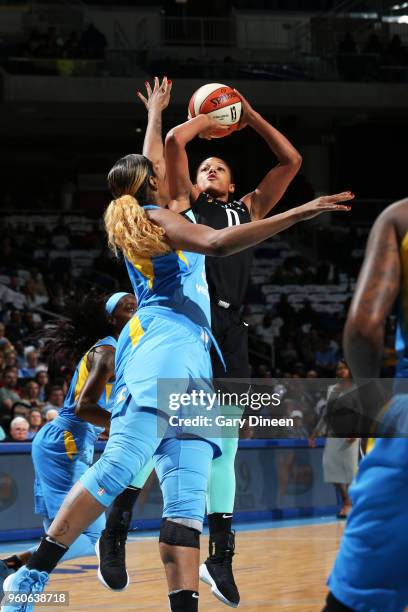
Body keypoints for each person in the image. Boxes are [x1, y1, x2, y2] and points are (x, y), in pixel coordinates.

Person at [3, 111, 353, 612]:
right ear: (154, 185)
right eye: (163, 173)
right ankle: (33, 577)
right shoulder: (159, 216)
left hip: (196, 352)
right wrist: (300, 213)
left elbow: (157, 155)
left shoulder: (152, 212)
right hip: (161, 344)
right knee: (123, 461)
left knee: (187, 497)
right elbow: (214, 242)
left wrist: (159, 113)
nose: (174, 172)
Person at [145, 79, 303, 607]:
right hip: (187, 327)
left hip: (232, 333)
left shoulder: (250, 210)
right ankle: (118, 522)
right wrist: (206, 122)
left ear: (233, 187)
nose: (209, 169)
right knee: (158, 437)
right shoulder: (183, 205)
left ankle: (221, 553)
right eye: (204, 166)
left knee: (226, 449)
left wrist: (250, 116)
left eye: (220, 167)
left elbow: (291, 161)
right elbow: (172, 145)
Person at [0, 291, 146, 600]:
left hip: (68, 442)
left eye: (136, 304)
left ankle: (14, 579)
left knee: (61, 534)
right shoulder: (108, 350)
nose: (134, 306)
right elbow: (84, 407)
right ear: (111, 319)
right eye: (125, 306)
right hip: (65, 443)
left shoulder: (123, 351)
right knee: (88, 534)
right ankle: (15, 573)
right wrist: (123, 425)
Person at [324, 198, 408, 611]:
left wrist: (375, 403)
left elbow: (362, 330)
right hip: (348, 436)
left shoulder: (400, 216)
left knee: (356, 601)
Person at [309, 360, 359, 519]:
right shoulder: (332, 389)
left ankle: (350, 504)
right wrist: (316, 432)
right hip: (333, 434)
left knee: (350, 470)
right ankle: (346, 500)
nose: (340, 371)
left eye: (343, 368)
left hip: (350, 434)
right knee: (330, 467)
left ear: (350, 370)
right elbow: (326, 414)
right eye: (338, 368)